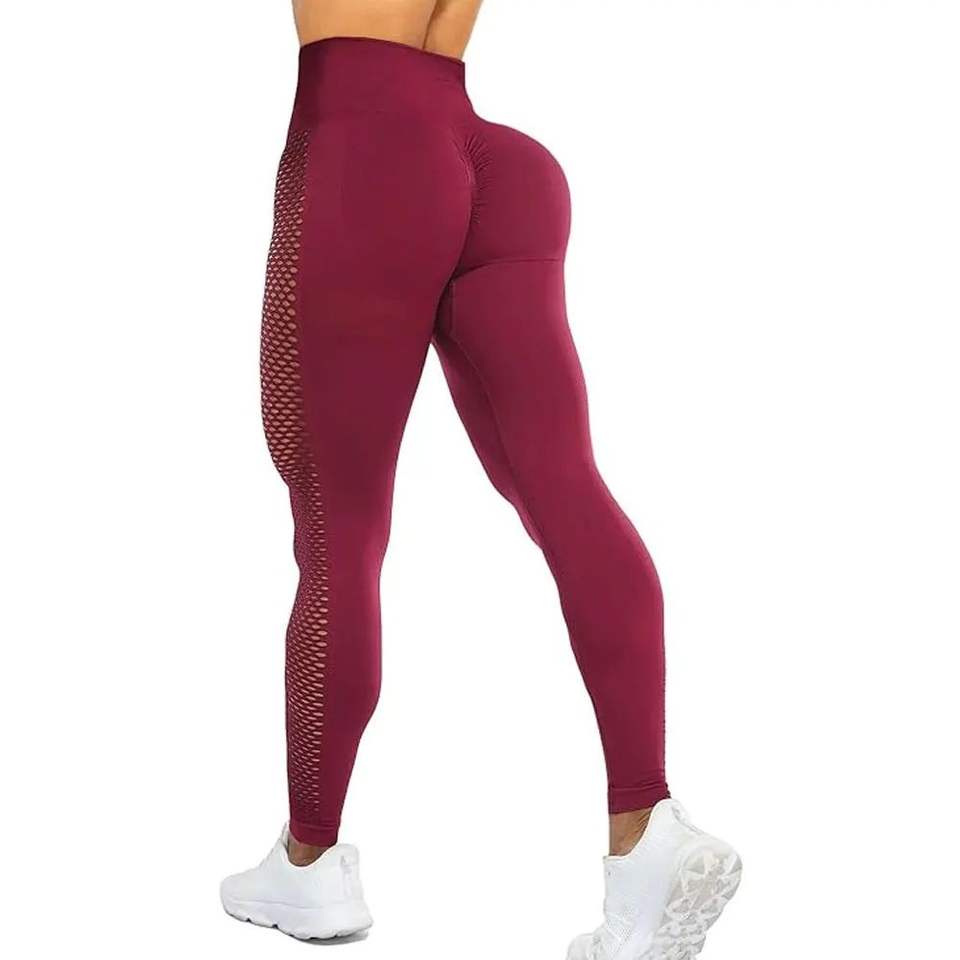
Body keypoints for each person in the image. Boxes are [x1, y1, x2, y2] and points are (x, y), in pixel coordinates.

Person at [220, 2, 742, 957]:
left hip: (366, 157)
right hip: (499, 166)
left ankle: (308, 864)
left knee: (338, 529)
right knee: (568, 488)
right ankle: (646, 830)